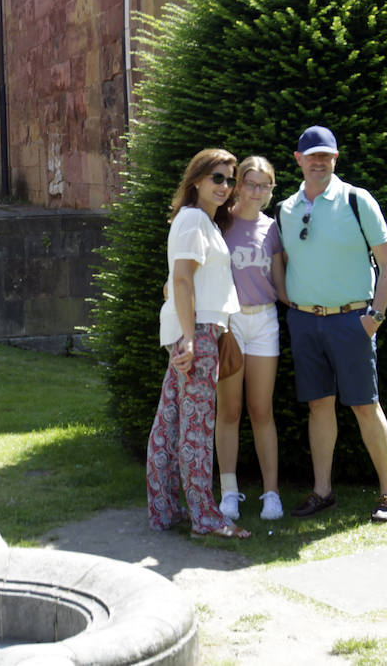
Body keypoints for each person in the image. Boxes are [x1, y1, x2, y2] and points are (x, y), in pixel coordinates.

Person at [272, 125, 387, 523]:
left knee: (366, 405)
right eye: (311, 155)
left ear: (335, 158)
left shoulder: (356, 199)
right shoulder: (286, 209)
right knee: (318, 406)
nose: (318, 161)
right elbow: (280, 261)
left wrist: (374, 318)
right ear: (298, 159)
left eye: (325, 155)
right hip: (306, 322)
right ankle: (323, 491)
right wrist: (287, 300)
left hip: (352, 320)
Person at [147, 148, 250, 540]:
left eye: (229, 179)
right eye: (217, 178)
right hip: (197, 333)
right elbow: (183, 280)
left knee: (172, 422)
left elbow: (175, 281)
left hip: (195, 330)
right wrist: (191, 339)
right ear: (196, 181)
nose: (225, 186)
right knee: (195, 427)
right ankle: (205, 517)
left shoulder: (198, 222)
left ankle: (165, 510)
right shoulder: (193, 220)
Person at [215, 155, 286, 522]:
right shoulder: (220, 222)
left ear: (271, 189)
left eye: (265, 185)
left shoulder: (273, 229)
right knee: (229, 410)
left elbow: (280, 282)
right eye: (251, 183)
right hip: (230, 324)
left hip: (265, 323)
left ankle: (270, 494)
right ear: (239, 184)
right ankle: (229, 493)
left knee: (261, 410)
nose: (257, 191)